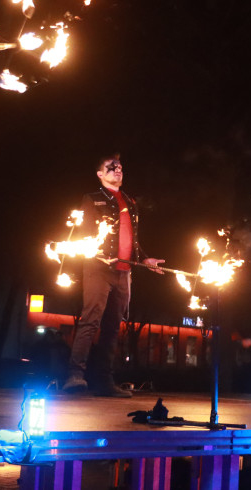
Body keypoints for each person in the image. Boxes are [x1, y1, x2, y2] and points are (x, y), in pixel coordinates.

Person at [62, 154, 165, 397]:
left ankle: (104, 381)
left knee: (113, 328)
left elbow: (132, 239)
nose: (117, 170)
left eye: (119, 167)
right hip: (98, 269)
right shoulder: (92, 199)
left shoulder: (129, 200)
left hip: (123, 272)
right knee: (90, 321)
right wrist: (97, 254)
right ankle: (75, 376)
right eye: (110, 168)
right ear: (99, 174)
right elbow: (85, 234)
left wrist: (144, 259)